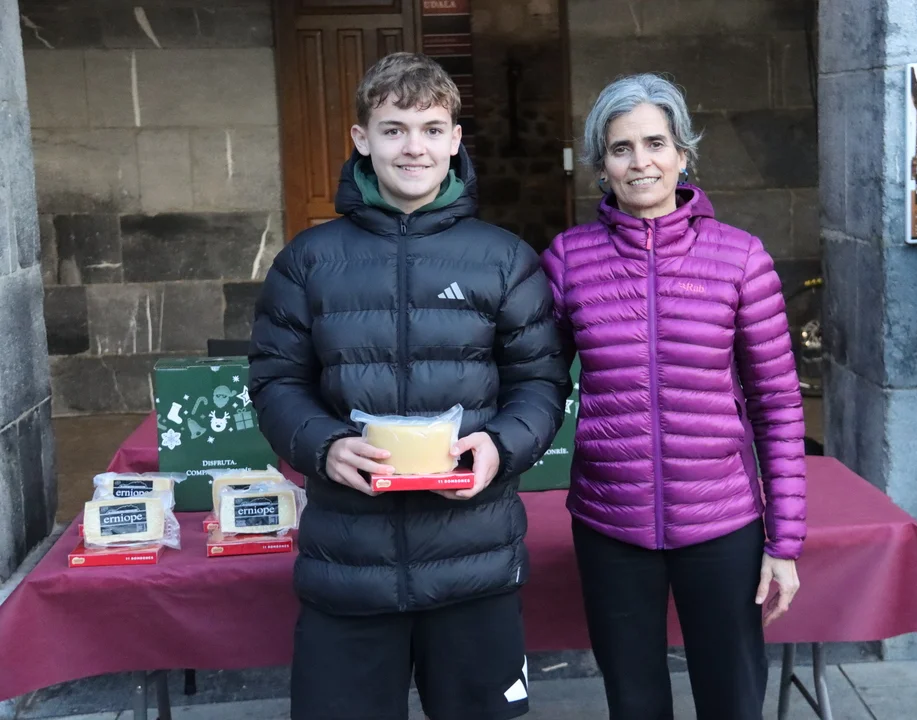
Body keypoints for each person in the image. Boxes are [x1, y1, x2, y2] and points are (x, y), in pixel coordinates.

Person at [248, 52, 571, 720]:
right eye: (393, 129)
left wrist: (501, 445)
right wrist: (323, 445)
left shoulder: (505, 259)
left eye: (431, 129)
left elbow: (540, 381)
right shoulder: (308, 261)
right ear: (362, 139)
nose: (413, 147)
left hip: (474, 560)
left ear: (455, 140)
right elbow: (276, 381)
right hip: (348, 565)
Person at [540, 73, 807, 720]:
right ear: (601, 166)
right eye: (621, 148)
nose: (641, 162)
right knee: (633, 702)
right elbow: (536, 382)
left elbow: (777, 405)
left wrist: (784, 543)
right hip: (610, 522)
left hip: (722, 522)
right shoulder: (569, 260)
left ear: (683, 153)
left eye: (655, 143)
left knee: (732, 700)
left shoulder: (740, 259)